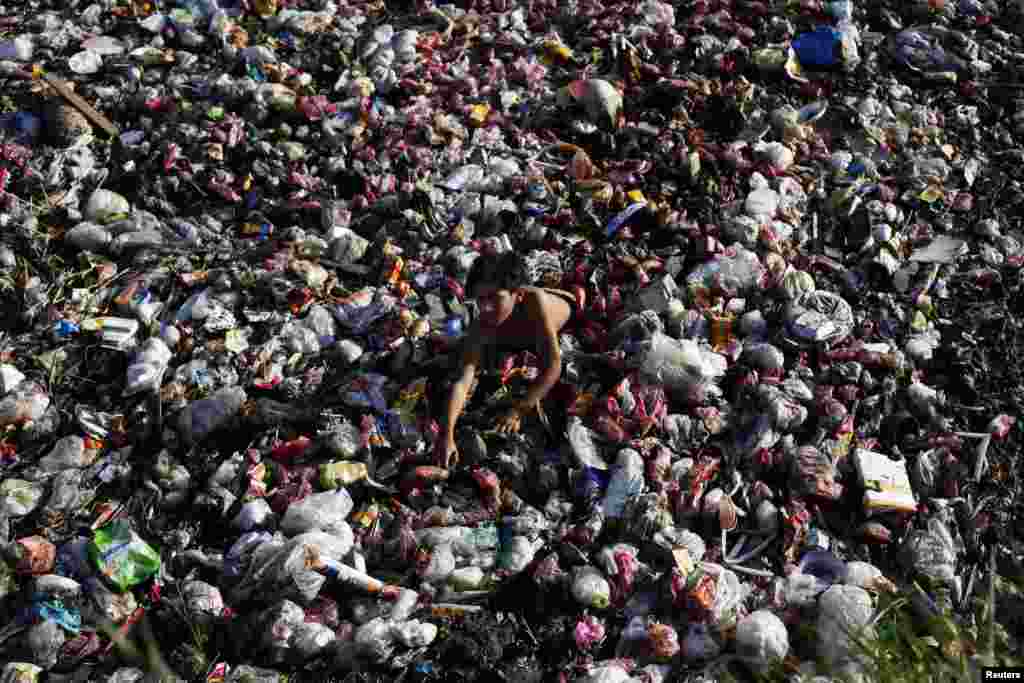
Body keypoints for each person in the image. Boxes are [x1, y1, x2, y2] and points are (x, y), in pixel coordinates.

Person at [434, 251, 581, 468]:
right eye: (481, 299)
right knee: (460, 361)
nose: (486, 307)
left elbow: (553, 366)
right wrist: (446, 436)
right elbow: (463, 381)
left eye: (494, 298)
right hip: (513, 337)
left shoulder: (533, 302)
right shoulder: (483, 320)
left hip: (553, 320)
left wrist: (517, 411)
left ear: (518, 294)